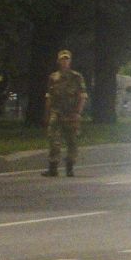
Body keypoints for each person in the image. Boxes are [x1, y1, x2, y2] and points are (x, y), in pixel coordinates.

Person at [42, 48, 87, 177]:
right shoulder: (53, 77)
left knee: (71, 140)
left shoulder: (76, 77)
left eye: (67, 59)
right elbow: (49, 97)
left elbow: (82, 96)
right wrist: (47, 113)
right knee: (53, 139)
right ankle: (53, 167)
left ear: (70, 61)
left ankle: (70, 167)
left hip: (71, 113)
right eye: (62, 59)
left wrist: (78, 112)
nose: (64, 62)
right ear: (58, 61)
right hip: (57, 112)